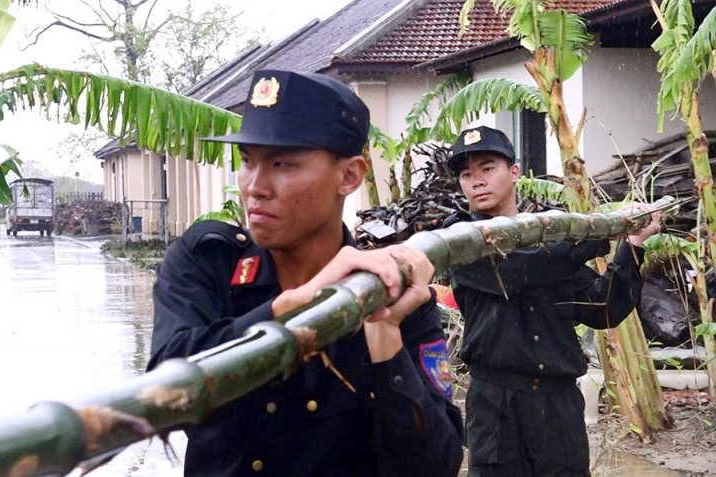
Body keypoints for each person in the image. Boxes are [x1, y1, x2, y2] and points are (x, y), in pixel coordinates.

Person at [148, 69, 464, 476]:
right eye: (247, 162)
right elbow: (162, 401)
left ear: (349, 176)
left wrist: (385, 333)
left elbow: (436, 465)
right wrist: (286, 311)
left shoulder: (390, 293)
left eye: (282, 163)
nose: (254, 187)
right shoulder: (209, 261)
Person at [447, 126, 661, 476]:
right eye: (467, 174)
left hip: (556, 403)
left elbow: (603, 307)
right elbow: (517, 272)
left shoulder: (551, 239)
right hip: (495, 404)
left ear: (514, 172)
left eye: (487, 168)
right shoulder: (460, 239)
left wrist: (632, 244)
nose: (477, 181)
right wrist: (594, 239)